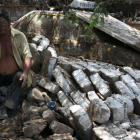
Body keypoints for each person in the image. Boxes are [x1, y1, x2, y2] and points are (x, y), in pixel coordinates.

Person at [0, 9, 33, 117]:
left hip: (14, 75)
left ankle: (6, 107)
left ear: (9, 22)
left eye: (2, 23)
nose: (0, 27)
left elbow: (27, 56)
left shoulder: (19, 36)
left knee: (21, 79)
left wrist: (25, 73)